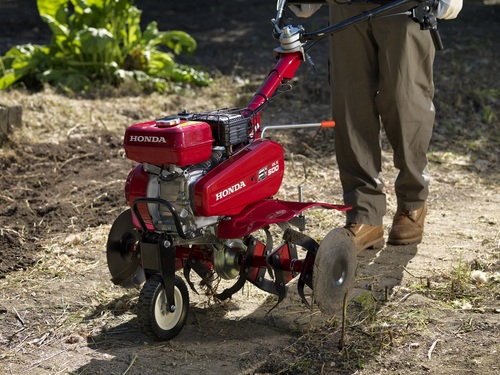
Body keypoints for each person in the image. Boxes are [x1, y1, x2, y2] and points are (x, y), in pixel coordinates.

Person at [289, 0, 462, 251]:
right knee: (350, 106)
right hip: (345, 6)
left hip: (404, 6)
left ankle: (412, 202)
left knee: (406, 102)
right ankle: (364, 214)